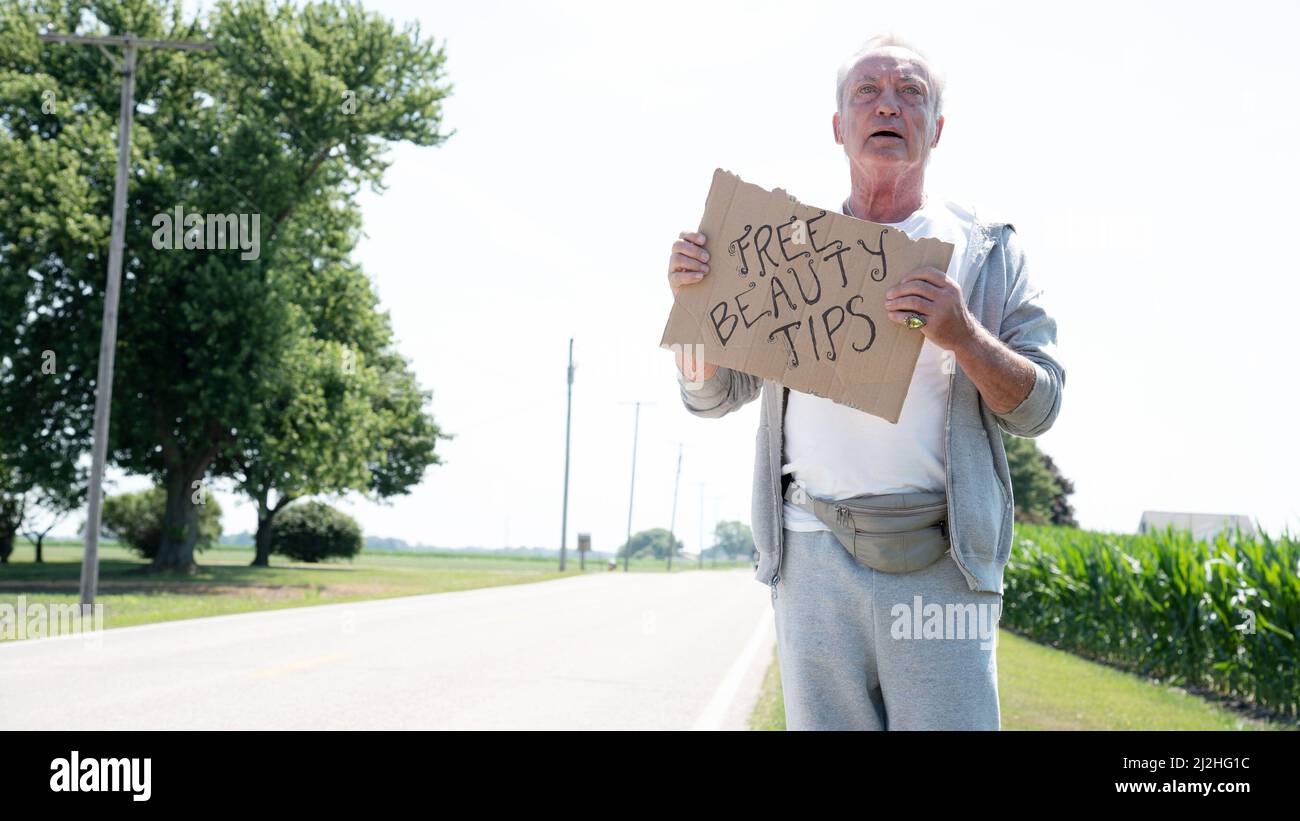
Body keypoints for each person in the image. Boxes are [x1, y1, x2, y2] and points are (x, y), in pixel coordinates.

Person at [666, 34, 1065, 730]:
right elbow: (713, 395)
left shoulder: (987, 250)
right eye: (867, 92)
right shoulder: (788, 251)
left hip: (940, 558)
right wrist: (695, 310)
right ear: (838, 126)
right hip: (811, 550)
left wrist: (963, 334)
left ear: (937, 128)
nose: (889, 106)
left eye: (912, 93)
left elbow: (1040, 406)